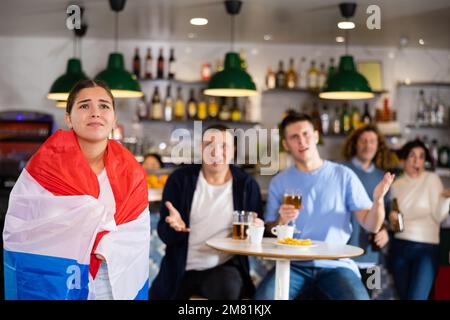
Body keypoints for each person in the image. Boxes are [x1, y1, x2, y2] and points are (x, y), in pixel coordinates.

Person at [3, 80, 150, 300]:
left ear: (114, 118)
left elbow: (137, 232)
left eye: (104, 106)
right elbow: (21, 226)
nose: (95, 113)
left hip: (111, 286)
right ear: (68, 117)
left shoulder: (133, 172)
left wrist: (98, 238)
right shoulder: (43, 167)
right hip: (55, 283)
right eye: (84, 106)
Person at [254, 113, 394, 300]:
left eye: (305, 134)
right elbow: (268, 231)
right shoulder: (279, 181)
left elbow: (372, 225)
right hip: (292, 264)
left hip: (336, 264)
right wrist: (280, 221)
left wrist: (377, 201)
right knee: (263, 300)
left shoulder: (344, 175)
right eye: (294, 137)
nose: (302, 141)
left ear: (316, 136)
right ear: (286, 145)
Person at [149, 124, 263, 300]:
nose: (216, 152)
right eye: (209, 144)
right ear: (201, 148)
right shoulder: (180, 180)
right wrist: (174, 228)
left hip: (222, 269)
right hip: (178, 270)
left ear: (233, 150)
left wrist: (257, 229)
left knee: (229, 287)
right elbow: (165, 235)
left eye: (224, 146)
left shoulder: (246, 186)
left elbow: (255, 239)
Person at [389, 139, 450, 300]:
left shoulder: (432, 179)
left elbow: (439, 216)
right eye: (412, 156)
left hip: (426, 250)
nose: (417, 161)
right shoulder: (396, 185)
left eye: (421, 157)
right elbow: (395, 224)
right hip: (400, 247)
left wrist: (447, 198)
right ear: (403, 160)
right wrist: (392, 219)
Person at [342, 125, 393, 297]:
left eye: (372, 141)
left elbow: (385, 213)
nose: (368, 145)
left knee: (370, 295)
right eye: (363, 140)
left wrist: (385, 231)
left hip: (373, 257)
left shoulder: (383, 177)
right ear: (354, 144)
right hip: (343, 255)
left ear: (378, 146)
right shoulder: (342, 171)